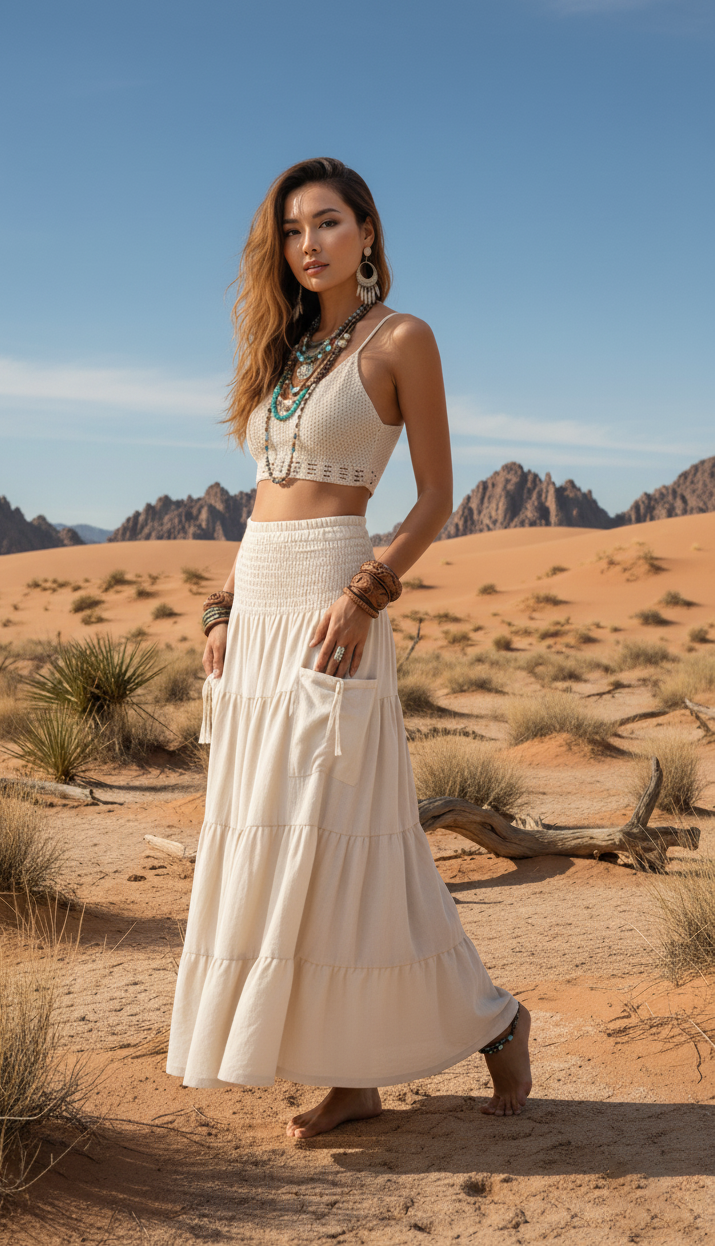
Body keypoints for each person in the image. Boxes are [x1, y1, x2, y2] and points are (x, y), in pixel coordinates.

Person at [166, 157, 532, 1138]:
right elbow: (262, 504)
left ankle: (493, 1021)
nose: (308, 243)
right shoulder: (281, 354)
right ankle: (351, 1078)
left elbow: (434, 495)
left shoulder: (401, 338)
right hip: (262, 602)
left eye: (327, 222)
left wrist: (367, 595)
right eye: (291, 230)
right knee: (283, 842)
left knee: (348, 847)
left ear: (366, 233)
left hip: (338, 602)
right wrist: (222, 608)